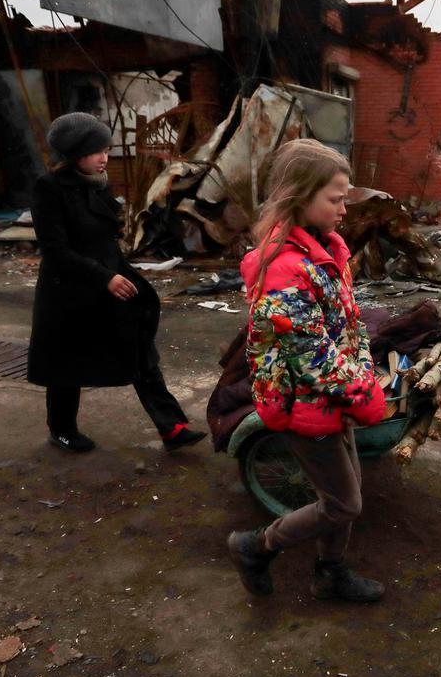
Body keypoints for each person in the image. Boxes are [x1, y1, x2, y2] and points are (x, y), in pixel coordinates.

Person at [226, 138, 388, 602]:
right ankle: (255, 547)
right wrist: (365, 392)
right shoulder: (283, 269)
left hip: (334, 398)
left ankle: (330, 573)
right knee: (344, 502)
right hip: (304, 404)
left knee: (346, 496)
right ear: (301, 196)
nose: (343, 210)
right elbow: (312, 357)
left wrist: (361, 371)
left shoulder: (326, 253)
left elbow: (348, 326)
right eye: (335, 199)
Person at [27, 112, 205, 454]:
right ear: (75, 152)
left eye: (106, 149)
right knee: (66, 363)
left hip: (111, 278)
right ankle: (61, 429)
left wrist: (117, 271)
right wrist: (103, 277)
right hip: (69, 291)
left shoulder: (99, 182)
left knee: (138, 345)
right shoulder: (49, 189)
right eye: (96, 151)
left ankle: (172, 427)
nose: (104, 157)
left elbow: (105, 237)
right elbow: (55, 250)